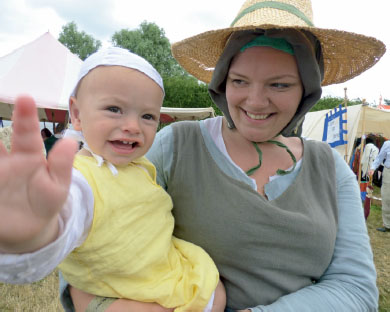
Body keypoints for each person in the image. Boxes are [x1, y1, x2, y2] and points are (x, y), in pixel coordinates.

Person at [1, 0, 384, 311]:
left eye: (279, 84)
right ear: (221, 82)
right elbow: (99, 231)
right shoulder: (177, 145)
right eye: (239, 81)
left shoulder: (329, 166)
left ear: (307, 89)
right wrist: (38, 235)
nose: (255, 100)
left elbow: (355, 289)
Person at [0, 47, 225, 312]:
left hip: (163, 273)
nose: (133, 125)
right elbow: (68, 214)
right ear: (77, 114)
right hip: (122, 293)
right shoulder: (80, 178)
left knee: (215, 290)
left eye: (148, 116)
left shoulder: (139, 166)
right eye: (114, 109)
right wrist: (34, 232)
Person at [369, 140, 390, 232]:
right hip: (388, 172)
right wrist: (373, 168)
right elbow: (379, 157)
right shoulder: (387, 144)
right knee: (386, 198)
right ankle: (387, 225)